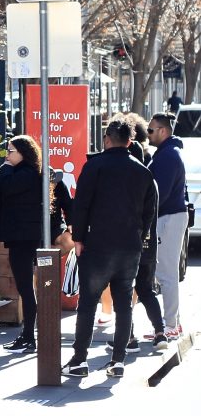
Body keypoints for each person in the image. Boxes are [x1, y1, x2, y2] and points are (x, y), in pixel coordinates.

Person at [62, 117, 157, 378]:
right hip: (129, 246)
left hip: (97, 244)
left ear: (106, 139)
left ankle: (80, 360)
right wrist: (140, 235)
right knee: (124, 303)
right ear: (130, 141)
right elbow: (149, 212)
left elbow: (80, 205)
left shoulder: (94, 167)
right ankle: (118, 361)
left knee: (88, 302)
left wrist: (78, 238)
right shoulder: (142, 171)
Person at [0, 135, 42, 354]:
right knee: (24, 287)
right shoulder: (22, 172)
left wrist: (4, 168)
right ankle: (27, 335)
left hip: (24, 236)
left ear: (23, 152)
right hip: (20, 235)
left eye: (10, 151)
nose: (7, 155)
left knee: (25, 287)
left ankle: (30, 336)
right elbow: (1, 192)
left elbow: (6, 188)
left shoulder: (26, 174)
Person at [147, 112, 188, 340]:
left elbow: (158, 194)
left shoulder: (168, 156)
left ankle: (170, 324)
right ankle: (173, 322)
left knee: (166, 273)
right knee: (166, 272)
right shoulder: (168, 153)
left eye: (151, 130)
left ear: (163, 131)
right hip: (170, 216)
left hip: (169, 217)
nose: (148, 133)